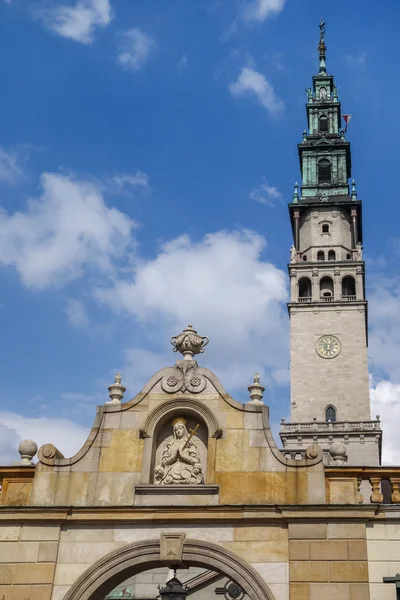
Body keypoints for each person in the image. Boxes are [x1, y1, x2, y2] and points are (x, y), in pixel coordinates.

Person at [154, 418, 204, 484]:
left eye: (180, 428)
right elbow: (163, 462)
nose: (178, 431)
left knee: (192, 481)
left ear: (184, 429)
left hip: (187, 471)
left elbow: (196, 461)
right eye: (176, 429)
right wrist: (173, 457)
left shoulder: (189, 443)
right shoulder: (170, 444)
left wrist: (184, 456)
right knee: (167, 481)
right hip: (171, 472)